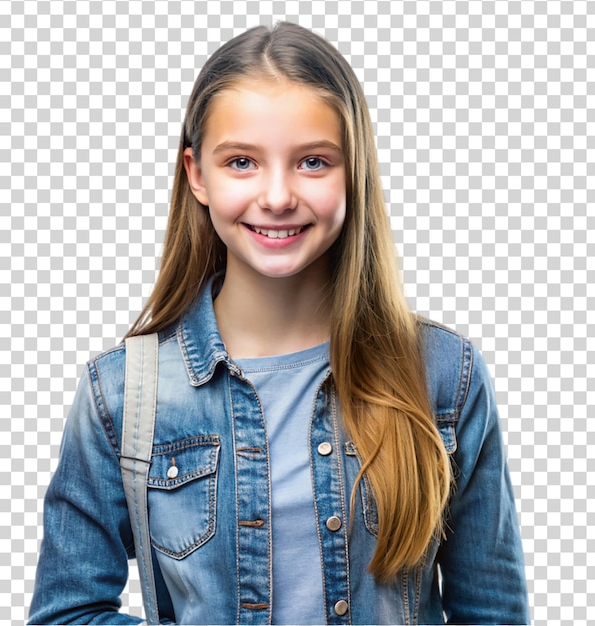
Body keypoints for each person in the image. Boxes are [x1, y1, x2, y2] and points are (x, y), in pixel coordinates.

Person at [28, 21, 529, 625]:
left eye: (313, 162)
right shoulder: (124, 395)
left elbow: (494, 614)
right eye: (241, 161)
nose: (276, 195)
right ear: (196, 175)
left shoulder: (445, 375)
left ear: (355, 171)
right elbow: (67, 614)